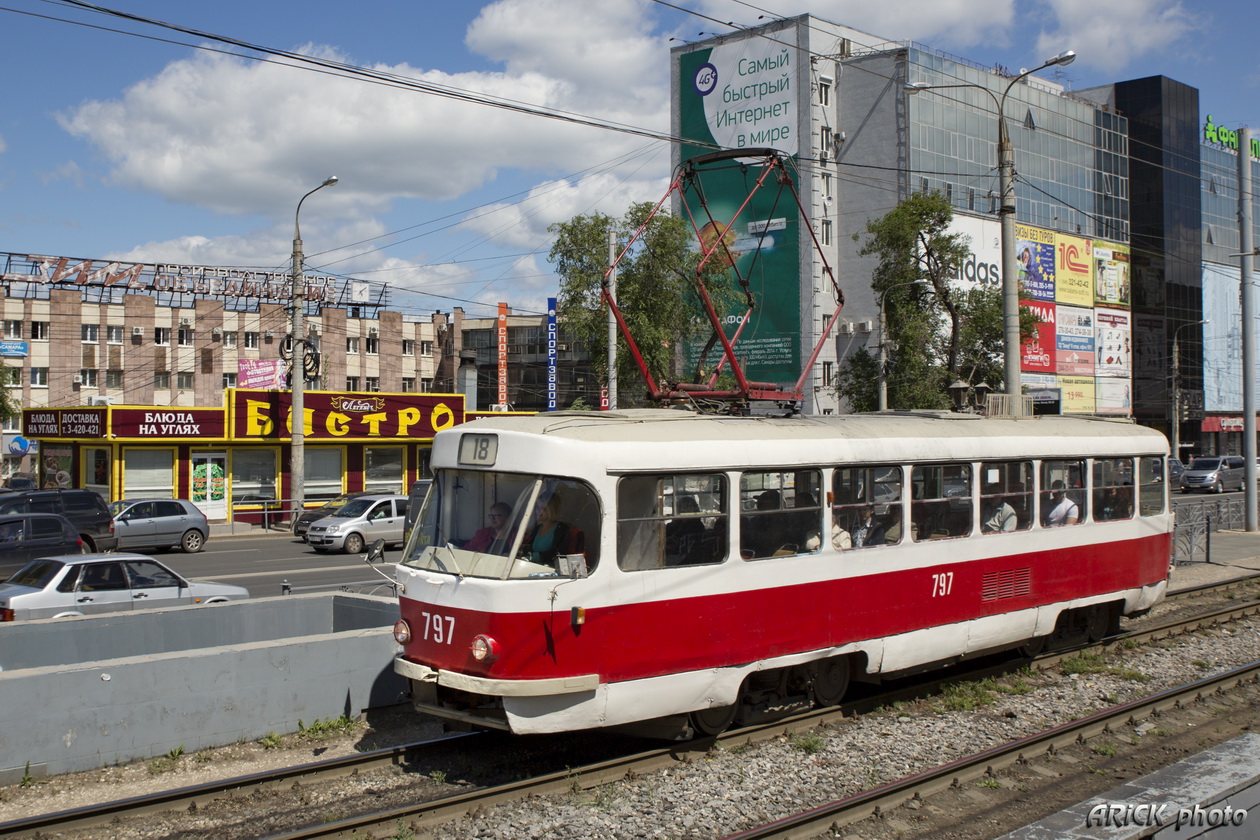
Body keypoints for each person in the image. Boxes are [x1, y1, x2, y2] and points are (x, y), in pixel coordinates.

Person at [521, 492, 575, 566]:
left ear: (551, 509)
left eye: (542, 508)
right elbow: (529, 549)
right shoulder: (537, 528)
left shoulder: (561, 529)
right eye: (537, 507)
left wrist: (534, 557)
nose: (538, 510)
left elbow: (559, 554)